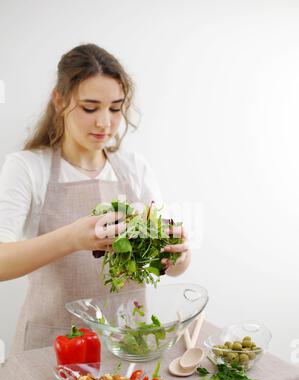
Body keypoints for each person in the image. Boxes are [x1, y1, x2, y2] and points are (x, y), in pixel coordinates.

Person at [0, 43, 191, 355]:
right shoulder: (27, 167)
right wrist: (73, 238)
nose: (105, 123)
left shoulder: (134, 168)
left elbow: (172, 266)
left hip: (128, 341)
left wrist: (178, 255)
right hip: (54, 345)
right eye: (90, 108)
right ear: (60, 101)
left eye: (115, 108)